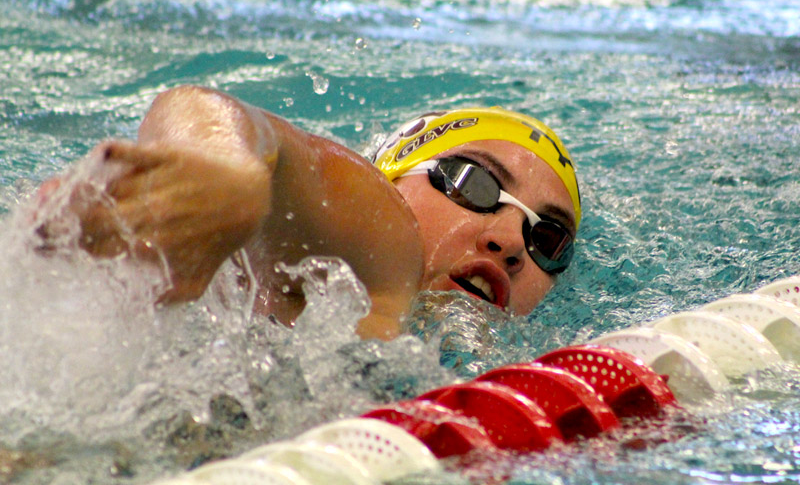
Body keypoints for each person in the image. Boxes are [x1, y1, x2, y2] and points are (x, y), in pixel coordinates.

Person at [34, 85, 581, 340]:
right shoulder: (383, 252)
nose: (511, 240)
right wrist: (222, 173)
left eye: (548, 239)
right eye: (473, 183)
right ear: (391, 179)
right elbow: (217, 114)